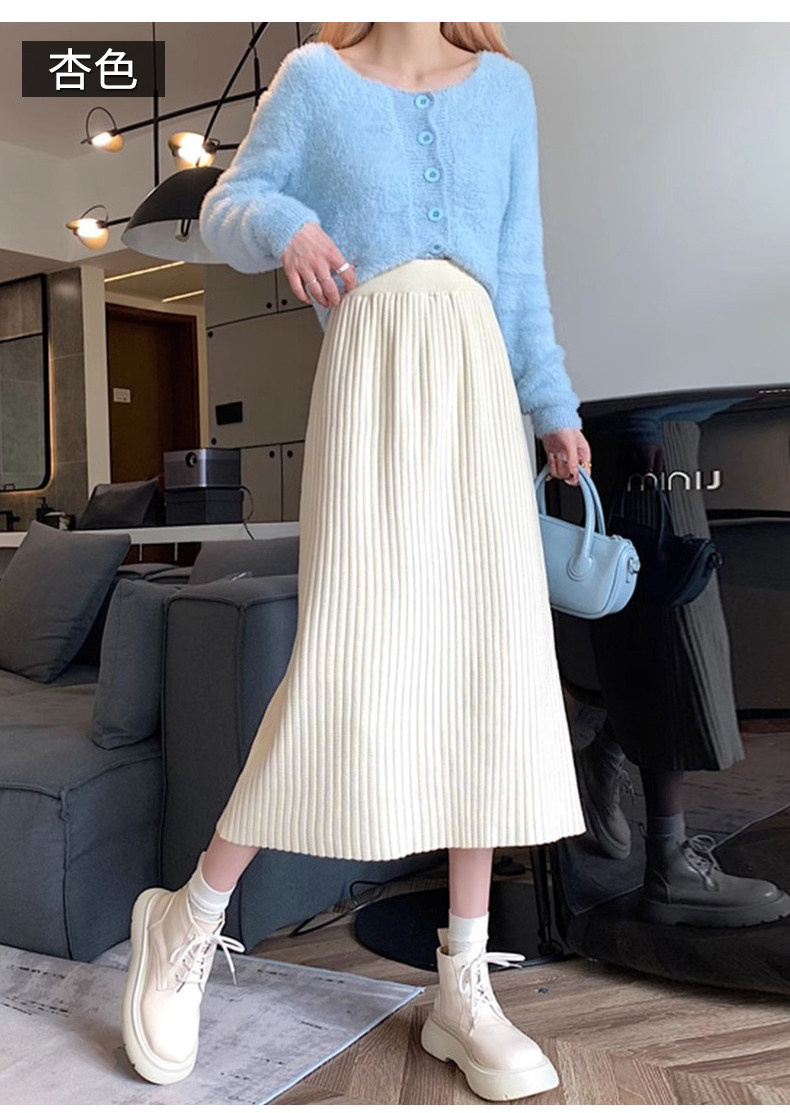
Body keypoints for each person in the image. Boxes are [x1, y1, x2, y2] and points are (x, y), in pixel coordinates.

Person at [121, 22, 593, 1103]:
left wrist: (552, 404)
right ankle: (187, 915)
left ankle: (463, 985)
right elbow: (229, 207)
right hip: (372, 376)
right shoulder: (314, 79)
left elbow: (519, 268)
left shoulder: (504, 90)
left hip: (478, 385)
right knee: (348, 656)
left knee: (487, 668)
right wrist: (285, 223)